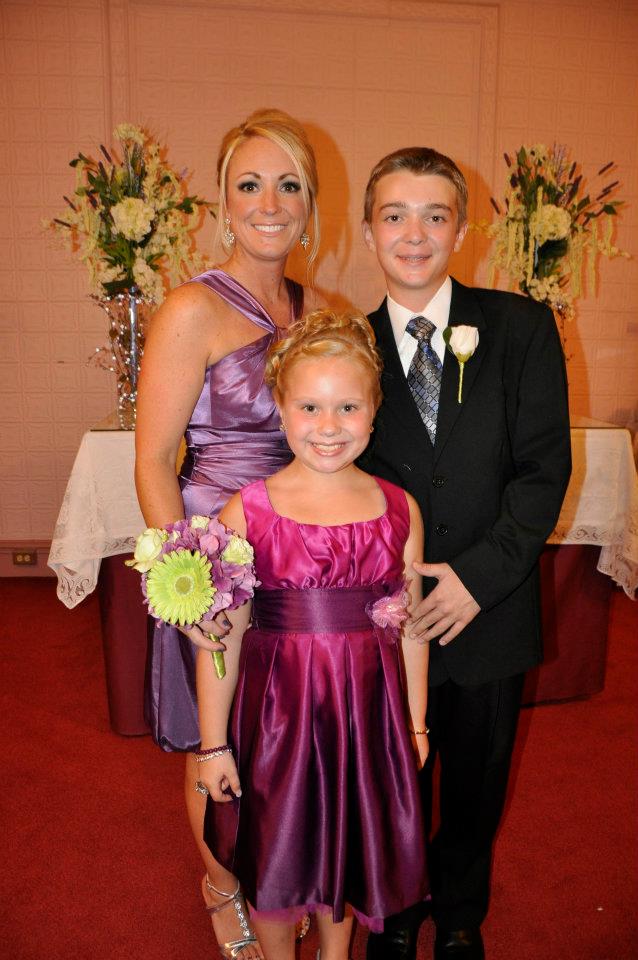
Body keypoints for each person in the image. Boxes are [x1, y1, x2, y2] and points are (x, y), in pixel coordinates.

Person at [359, 147, 572, 960]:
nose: (414, 234)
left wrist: (477, 579)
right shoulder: (347, 342)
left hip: (491, 605)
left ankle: (458, 915)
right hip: (386, 613)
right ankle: (395, 908)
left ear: (461, 230)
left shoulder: (520, 328)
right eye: (395, 216)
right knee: (391, 773)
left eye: (434, 216)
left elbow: (543, 470)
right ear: (369, 231)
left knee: (479, 778)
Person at [134, 108, 323, 959]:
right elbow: (152, 461)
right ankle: (220, 884)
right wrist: (189, 583)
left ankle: (280, 868)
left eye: (288, 185)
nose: (269, 203)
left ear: (310, 205)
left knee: (287, 730)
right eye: (250, 184)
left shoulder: (321, 311)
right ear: (223, 202)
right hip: (217, 550)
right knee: (217, 735)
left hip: (301, 553)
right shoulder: (191, 308)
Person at [196, 309, 430, 960]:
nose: (329, 427)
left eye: (348, 407)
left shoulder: (399, 508)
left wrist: (415, 724)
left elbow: (411, 627)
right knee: (276, 850)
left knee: (348, 848)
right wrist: (213, 745)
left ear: (374, 410)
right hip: (280, 715)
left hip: (366, 715)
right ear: (280, 408)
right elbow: (222, 639)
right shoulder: (248, 511)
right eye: (310, 407)